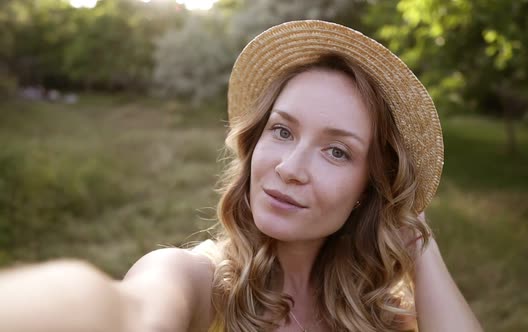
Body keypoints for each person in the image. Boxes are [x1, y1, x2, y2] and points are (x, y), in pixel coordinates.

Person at [0, 20, 483, 332]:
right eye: (282, 131)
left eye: (337, 151)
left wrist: (417, 239)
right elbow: (123, 311)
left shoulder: (383, 312)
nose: (289, 169)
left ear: (369, 188)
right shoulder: (198, 281)